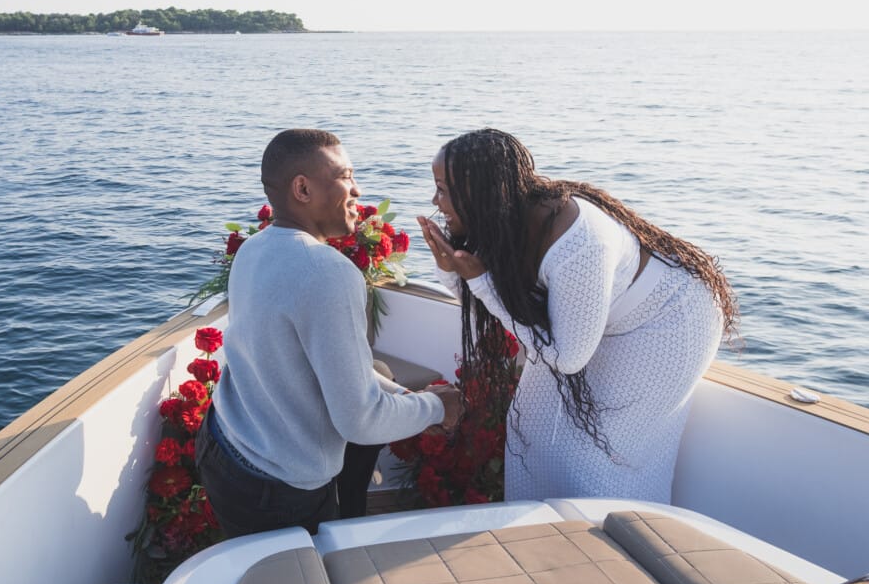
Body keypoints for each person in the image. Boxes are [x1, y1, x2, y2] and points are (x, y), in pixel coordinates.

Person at [416, 128, 738, 504]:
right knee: (529, 426)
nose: (436, 201)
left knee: (602, 454)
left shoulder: (578, 243)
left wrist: (480, 280)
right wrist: (454, 269)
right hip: (606, 321)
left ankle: (618, 542)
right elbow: (488, 302)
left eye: (443, 189)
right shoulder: (504, 221)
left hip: (669, 319)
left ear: (480, 192)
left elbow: (566, 359)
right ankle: (535, 540)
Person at [198, 128, 461, 537]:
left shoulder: (255, 249)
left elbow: (306, 364)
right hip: (277, 491)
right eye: (345, 176)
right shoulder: (328, 273)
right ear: (302, 188)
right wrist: (439, 407)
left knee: (381, 372)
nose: (357, 190)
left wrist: (405, 398)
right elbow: (361, 421)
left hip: (222, 447)